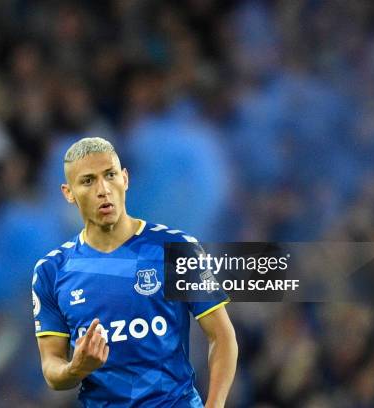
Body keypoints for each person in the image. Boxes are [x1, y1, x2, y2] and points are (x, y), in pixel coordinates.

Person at [32, 137, 238, 407]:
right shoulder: (51, 271)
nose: (103, 189)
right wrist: (76, 368)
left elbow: (222, 337)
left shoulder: (175, 248)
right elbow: (52, 370)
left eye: (110, 175)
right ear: (68, 193)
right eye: (88, 181)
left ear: (125, 179)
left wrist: (214, 405)